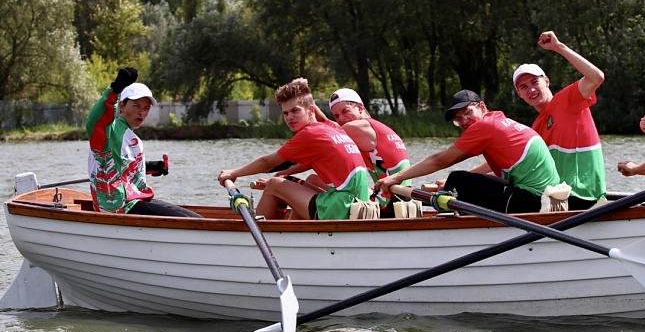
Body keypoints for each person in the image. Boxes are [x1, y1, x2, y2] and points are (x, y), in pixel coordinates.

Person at [375, 90, 560, 214]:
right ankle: (442, 202)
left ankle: (442, 218)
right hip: (544, 198)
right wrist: (464, 177)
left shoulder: (485, 127)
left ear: (481, 106)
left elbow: (440, 160)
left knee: (458, 179)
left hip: (533, 201)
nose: (464, 121)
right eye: (458, 119)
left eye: (467, 113)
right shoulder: (499, 121)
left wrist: (395, 178)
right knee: (460, 180)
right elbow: (493, 163)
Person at [217, 78, 370, 220]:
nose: (289, 117)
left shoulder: (309, 134)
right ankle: (290, 235)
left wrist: (233, 172)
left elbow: (267, 162)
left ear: (310, 110)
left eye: (295, 111)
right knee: (304, 182)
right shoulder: (333, 128)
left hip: (343, 208)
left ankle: (260, 238)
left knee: (274, 185)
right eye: (285, 113)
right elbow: (320, 117)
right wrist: (305, 93)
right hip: (361, 206)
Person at [87, 67, 202, 217]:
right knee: (190, 221)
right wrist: (114, 90)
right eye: (136, 106)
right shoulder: (109, 132)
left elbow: (120, 166)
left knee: (195, 217)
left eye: (146, 108)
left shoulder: (133, 138)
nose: (142, 112)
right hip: (119, 206)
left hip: (136, 199)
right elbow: (93, 121)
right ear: (122, 106)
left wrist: (150, 167)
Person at [512, 30, 606, 210]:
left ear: (546, 81)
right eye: (523, 87)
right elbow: (511, 160)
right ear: (519, 94)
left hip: (584, 196)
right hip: (559, 199)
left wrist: (559, 47)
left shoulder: (568, 99)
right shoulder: (536, 127)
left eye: (534, 82)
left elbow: (596, 77)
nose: (531, 90)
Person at [327, 88, 412, 218]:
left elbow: (325, 134)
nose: (341, 118)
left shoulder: (357, 128)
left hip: (388, 206)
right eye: (336, 116)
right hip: (402, 202)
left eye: (345, 111)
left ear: (360, 107)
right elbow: (328, 128)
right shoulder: (375, 126)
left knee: (312, 182)